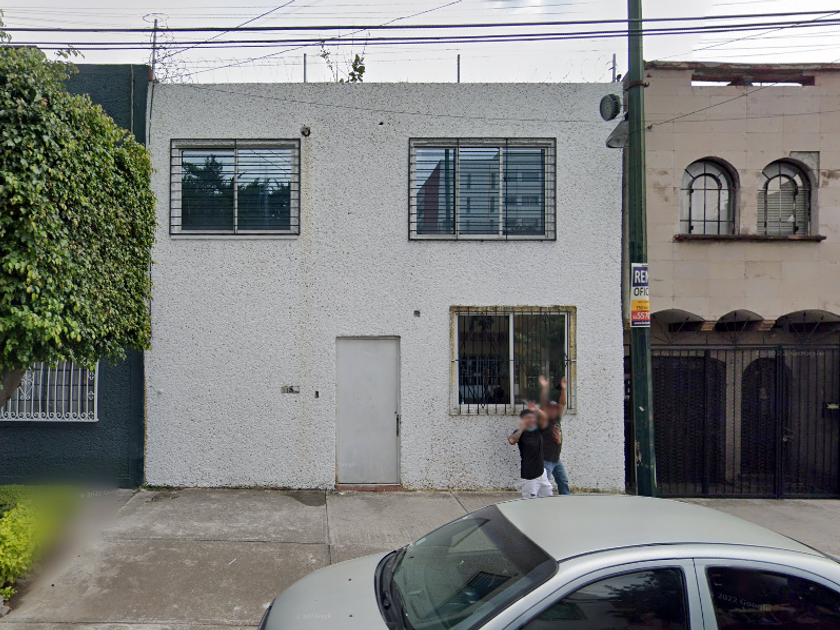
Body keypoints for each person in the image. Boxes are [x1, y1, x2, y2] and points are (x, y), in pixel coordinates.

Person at [508, 407, 553, 499]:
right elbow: (512, 441)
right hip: (530, 476)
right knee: (529, 502)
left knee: (548, 498)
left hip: (541, 473)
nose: (531, 420)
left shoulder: (538, 430)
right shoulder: (520, 433)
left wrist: (536, 409)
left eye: (532, 417)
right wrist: (522, 428)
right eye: (528, 418)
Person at [539, 374, 570, 495]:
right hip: (546, 459)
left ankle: (566, 499)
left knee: (563, 481)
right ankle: (541, 501)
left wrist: (563, 389)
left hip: (556, 459)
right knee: (544, 484)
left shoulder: (556, 419)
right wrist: (544, 389)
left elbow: (562, 404)